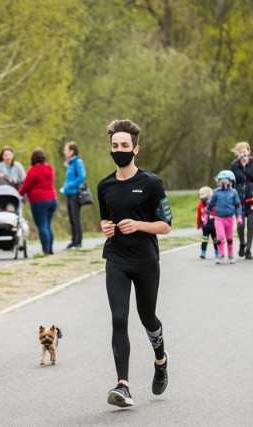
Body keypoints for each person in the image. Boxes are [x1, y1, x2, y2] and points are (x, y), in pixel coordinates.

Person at [97, 119, 172, 408]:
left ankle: (161, 360)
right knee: (118, 318)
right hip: (116, 258)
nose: (119, 150)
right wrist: (106, 227)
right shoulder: (105, 185)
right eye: (115, 146)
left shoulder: (151, 183)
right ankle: (123, 386)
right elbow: (106, 218)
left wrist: (139, 225)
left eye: (124, 146)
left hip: (145, 260)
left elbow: (166, 226)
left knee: (147, 318)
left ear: (135, 149)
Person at [229, 142, 253, 260]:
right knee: (241, 226)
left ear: (248, 152)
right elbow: (231, 182)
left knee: (250, 225)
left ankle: (248, 250)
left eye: (244, 152)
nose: (242, 154)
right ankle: (242, 243)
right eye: (240, 152)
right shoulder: (234, 165)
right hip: (238, 200)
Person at [18, 149, 57, 255]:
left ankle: (45, 250)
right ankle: (50, 250)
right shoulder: (49, 168)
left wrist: (19, 193)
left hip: (39, 201)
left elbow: (26, 186)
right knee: (48, 225)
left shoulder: (33, 170)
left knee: (42, 226)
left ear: (33, 159)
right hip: (52, 199)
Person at [205, 170, 243, 265]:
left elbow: (238, 205)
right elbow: (210, 205)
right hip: (219, 218)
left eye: (226, 181)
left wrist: (239, 216)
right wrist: (206, 215)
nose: (223, 183)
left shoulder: (233, 192)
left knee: (229, 238)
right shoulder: (216, 192)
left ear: (231, 182)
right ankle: (221, 255)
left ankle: (230, 255)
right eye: (221, 181)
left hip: (229, 219)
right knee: (220, 237)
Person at [60, 141, 86, 249]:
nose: (64, 152)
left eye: (66, 150)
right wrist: (64, 187)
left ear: (72, 151)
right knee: (71, 218)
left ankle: (78, 242)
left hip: (75, 193)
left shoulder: (78, 162)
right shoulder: (70, 163)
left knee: (76, 218)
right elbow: (69, 178)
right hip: (69, 194)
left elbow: (82, 176)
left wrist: (70, 186)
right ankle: (73, 241)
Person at [196, 186, 218, 259]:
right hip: (205, 226)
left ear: (209, 195)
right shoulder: (200, 204)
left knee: (215, 240)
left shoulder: (214, 203)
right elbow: (198, 215)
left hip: (214, 226)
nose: (200, 196)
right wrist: (198, 224)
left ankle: (217, 252)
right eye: (200, 195)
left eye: (202, 194)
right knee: (204, 239)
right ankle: (203, 252)